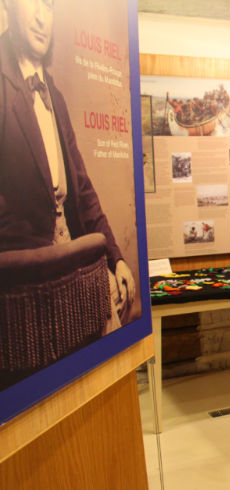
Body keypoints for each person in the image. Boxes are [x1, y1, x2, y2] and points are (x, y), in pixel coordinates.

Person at [0, 0, 135, 331]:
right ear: (7, 8)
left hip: (70, 256)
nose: (40, 16)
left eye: (47, 5)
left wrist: (115, 258)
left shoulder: (54, 97)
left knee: (119, 299)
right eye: (29, 2)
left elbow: (84, 190)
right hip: (27, 276)